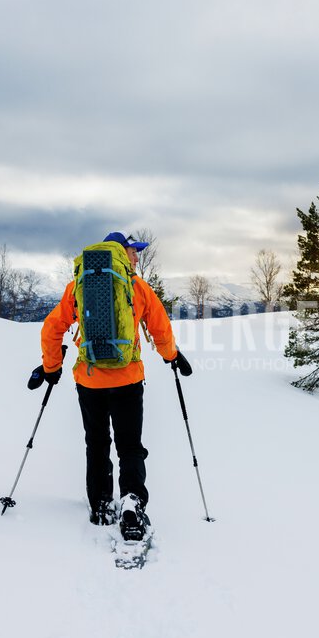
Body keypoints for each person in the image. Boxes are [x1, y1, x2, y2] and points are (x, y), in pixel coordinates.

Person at [32, 231, 192, 541]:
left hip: (89, 380)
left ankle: (101, 504)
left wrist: (51, 368)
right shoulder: (137, 287)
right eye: (133, 252)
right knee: (130, 446)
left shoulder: (78, 286)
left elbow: (52, 329)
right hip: (128, 380)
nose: (137, 257)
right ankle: (132, 502)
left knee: (97, 443)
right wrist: (172, 356)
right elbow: (161, 329)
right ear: (121, 252)